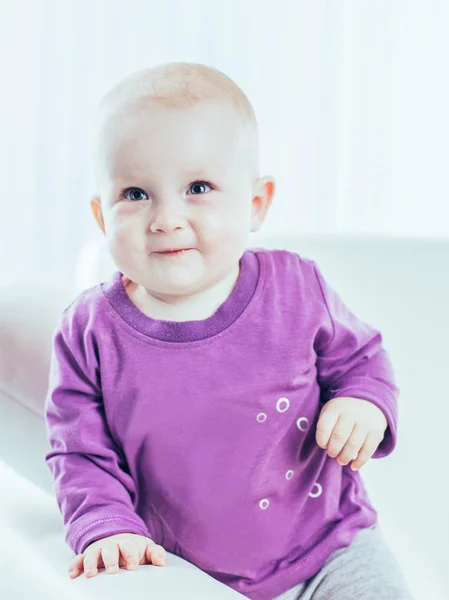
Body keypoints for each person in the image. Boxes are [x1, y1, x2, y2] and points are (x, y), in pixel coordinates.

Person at [44, 61, 413, 600]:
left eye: (198, 187)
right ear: (102, 217)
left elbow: (363, 359)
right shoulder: (91, 331)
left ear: (256, 204)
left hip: (330, 550)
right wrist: (106, 524)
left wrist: (363, 403)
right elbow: (80, 452)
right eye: (136, 194)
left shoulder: (295, 287)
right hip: (185, 573)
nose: (166, 218)